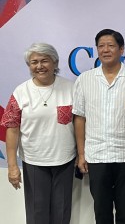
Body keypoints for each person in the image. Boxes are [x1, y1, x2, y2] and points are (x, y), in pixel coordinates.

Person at [73, 29, 125, 224]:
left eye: (111, 45)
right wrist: (81, 154)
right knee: (101, 210)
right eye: (101, 46)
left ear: (121, 49)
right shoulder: (85, 79)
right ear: (96, 49)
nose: (106, 50)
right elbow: (79, 117)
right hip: (96, 154)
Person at [0, 43, 76, 224]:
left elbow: (81, 123)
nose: (39, 66)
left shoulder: (71, 87)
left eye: (45, 61)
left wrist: (82, 154)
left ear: (55, 63)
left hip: (65, 159)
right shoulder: (21, 92)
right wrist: (12, 166)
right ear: (29, 66)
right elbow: (12, 129)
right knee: (37, 213)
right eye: (34, 62)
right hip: (34, 160)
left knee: (62, 212)